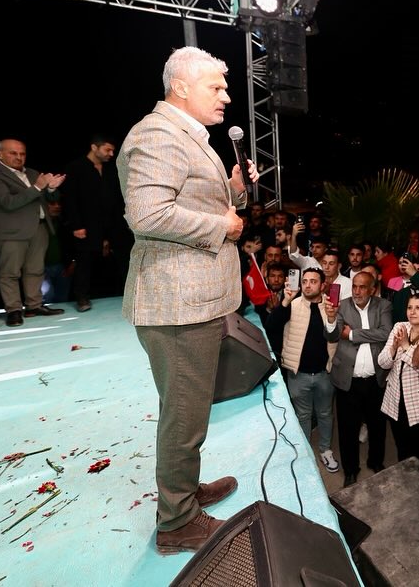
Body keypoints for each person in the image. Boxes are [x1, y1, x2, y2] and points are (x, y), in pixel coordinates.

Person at [118, 46, 257, 554]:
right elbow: (148, 215)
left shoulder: (189, 137)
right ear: (180, 87)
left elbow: (201, 202)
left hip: (192, 300)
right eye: (216, 86)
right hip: (176, 304)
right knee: (184, 414)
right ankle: (177, 523)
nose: (226, 96)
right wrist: (222, 224)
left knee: (187, 409)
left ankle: (185, 492)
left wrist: (234, 191)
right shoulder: (157, 135)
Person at [0, 138, 67, 326]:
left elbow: (48, 198)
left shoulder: (32, 173)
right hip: (11, 232)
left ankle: (33, 306)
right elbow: (8, 203)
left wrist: (51, 188)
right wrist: (37, 187)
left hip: (39, 227)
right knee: (10, 272)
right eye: (13, 153)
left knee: (36, 270)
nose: (19, 157)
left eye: (22, 153)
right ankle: (13, 310)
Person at [264, 266, 340, 473]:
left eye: (313, 281)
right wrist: (285, 301)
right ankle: (305, 453)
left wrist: (332, 317)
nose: (307, 285)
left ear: (323, 285)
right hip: (298, 374)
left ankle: (325, 450)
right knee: (303, 415)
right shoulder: (292, 304)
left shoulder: (331, 306)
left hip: (325, 373)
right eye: (304, 281)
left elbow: (334, 337)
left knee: (325, 414)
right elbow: (271, 327)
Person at [326, 270, 393, 487]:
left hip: (375, 380)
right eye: (354, 286)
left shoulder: (383, 306)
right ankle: (351, 470)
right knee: (348, 429)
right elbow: (333, 335)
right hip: (348, 380)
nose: (357, 291)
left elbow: (386, 333)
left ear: (372, 289)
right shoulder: (342, 306)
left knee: (377, 426)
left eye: (362, 287)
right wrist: (331, 320)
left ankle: (376, 462)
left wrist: (353, 334)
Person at [60, 133, 132, 311]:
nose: (111, 154)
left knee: (124, 257)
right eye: (107, 150)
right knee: (84, 261)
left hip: (113, 222)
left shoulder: (111, 169)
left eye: (113, 150)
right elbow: (70, 199)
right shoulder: (75, 167)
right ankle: (82, 298)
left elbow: (118, 196)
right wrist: (76, 225)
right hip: (87, 223)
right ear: (94, 147)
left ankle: (131, 294)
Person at [377, 292, 419, 464]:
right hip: (395, 399)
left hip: (418, 404)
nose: (412, 312)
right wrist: (393, 348)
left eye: (418, 308)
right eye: (410, 307)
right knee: (401, 448)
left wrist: (405, 346)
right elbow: (382, 362)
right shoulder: (400, 326)